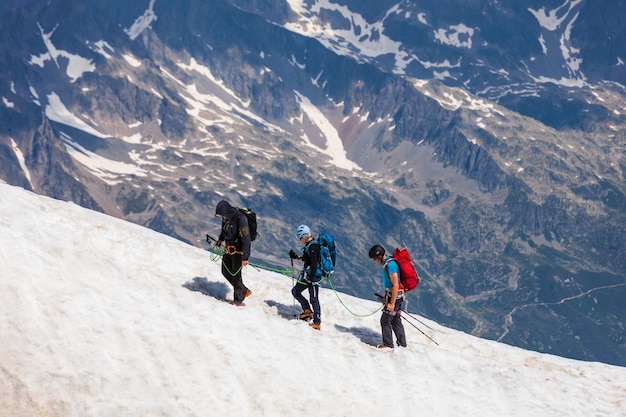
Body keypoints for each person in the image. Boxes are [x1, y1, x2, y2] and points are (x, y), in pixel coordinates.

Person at [214, 200, 252, 306]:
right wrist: (220, 240)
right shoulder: (226, 218)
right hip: (228, 249)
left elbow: (246, 238)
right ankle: (243, 290)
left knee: (236, 275)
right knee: (225, 271)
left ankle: (238, 301)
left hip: (238, 251)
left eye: (222, 215)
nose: (222, 218)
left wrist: (245, 257)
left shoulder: (241, 218)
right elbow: (224, 231)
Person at [369, 245, 407, 349]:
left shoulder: (390, 266)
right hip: (396, 295)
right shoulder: (389, 262)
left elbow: (395, 284)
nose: (374, 261)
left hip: (394, 296)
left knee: (385, 320)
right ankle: (402, 344)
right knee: (395, 320)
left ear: (380, 256)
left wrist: (392, 303)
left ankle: (388, 345)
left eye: (374, 258)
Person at [289, 224, 322, 330]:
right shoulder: (311, 245)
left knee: (314, 298)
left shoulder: (313, 246)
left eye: (300, 238)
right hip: (310, 275)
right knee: (295, 291)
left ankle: (317, 323)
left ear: (304, 236)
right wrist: (298, 257)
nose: (300, 240)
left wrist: (312, 278)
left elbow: (314, 263)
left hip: (313, 277)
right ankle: (307, 311)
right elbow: (309, 260)